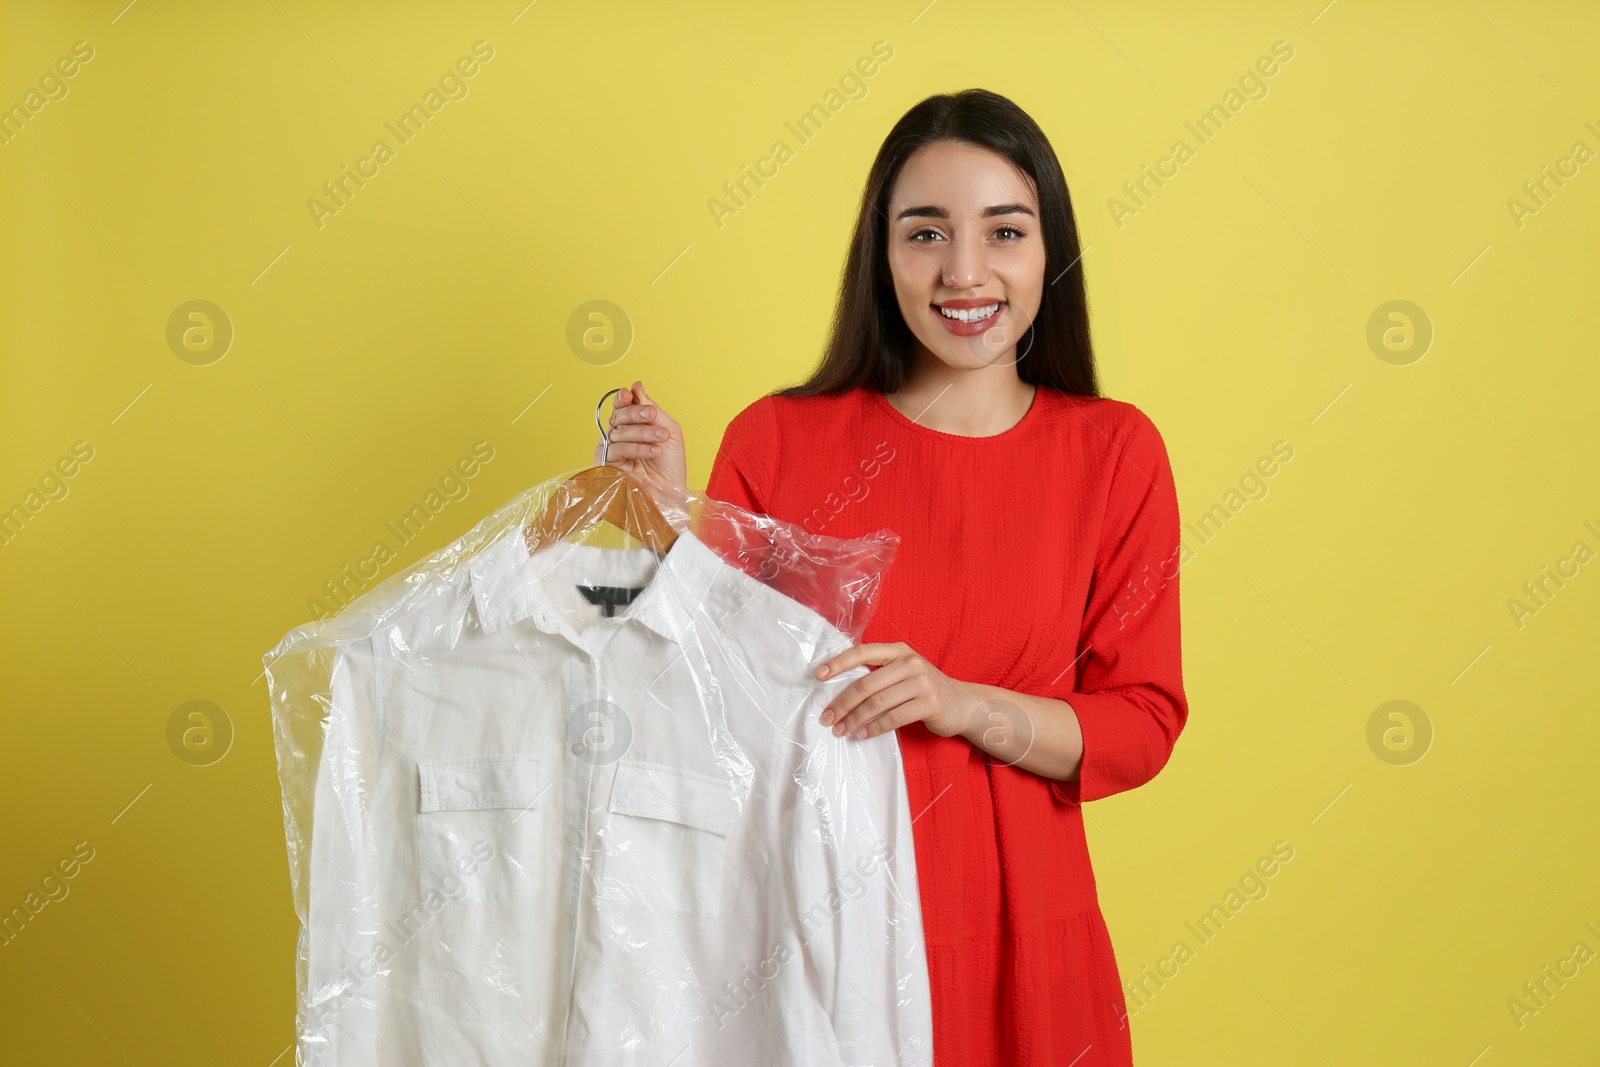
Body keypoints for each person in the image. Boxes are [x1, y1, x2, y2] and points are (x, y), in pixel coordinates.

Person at [594, 89, 1188, 1067]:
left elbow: (1142, 718)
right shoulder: (779, 439)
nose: (964, 271)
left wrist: (964, 704)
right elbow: (698, 710)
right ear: (882, 254)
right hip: (820, 931)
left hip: (1025, 940)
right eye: (924, 234)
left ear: (1049, 251)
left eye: (1004, 231)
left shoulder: (1113, 451)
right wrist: (668, 533)